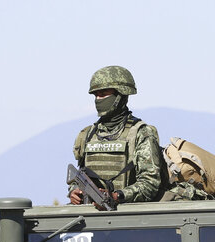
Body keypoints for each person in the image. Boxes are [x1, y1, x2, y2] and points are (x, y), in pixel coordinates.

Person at [68, 65, 163, 207]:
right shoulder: (88, 134)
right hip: (90, 218)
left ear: (121, 94)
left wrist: (117, 196)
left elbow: (150, 184)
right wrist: (74, 191)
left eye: (103, 93)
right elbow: (79, 175)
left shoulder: (140, 133)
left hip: (126, 218)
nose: (98, 99)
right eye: (96, 95)